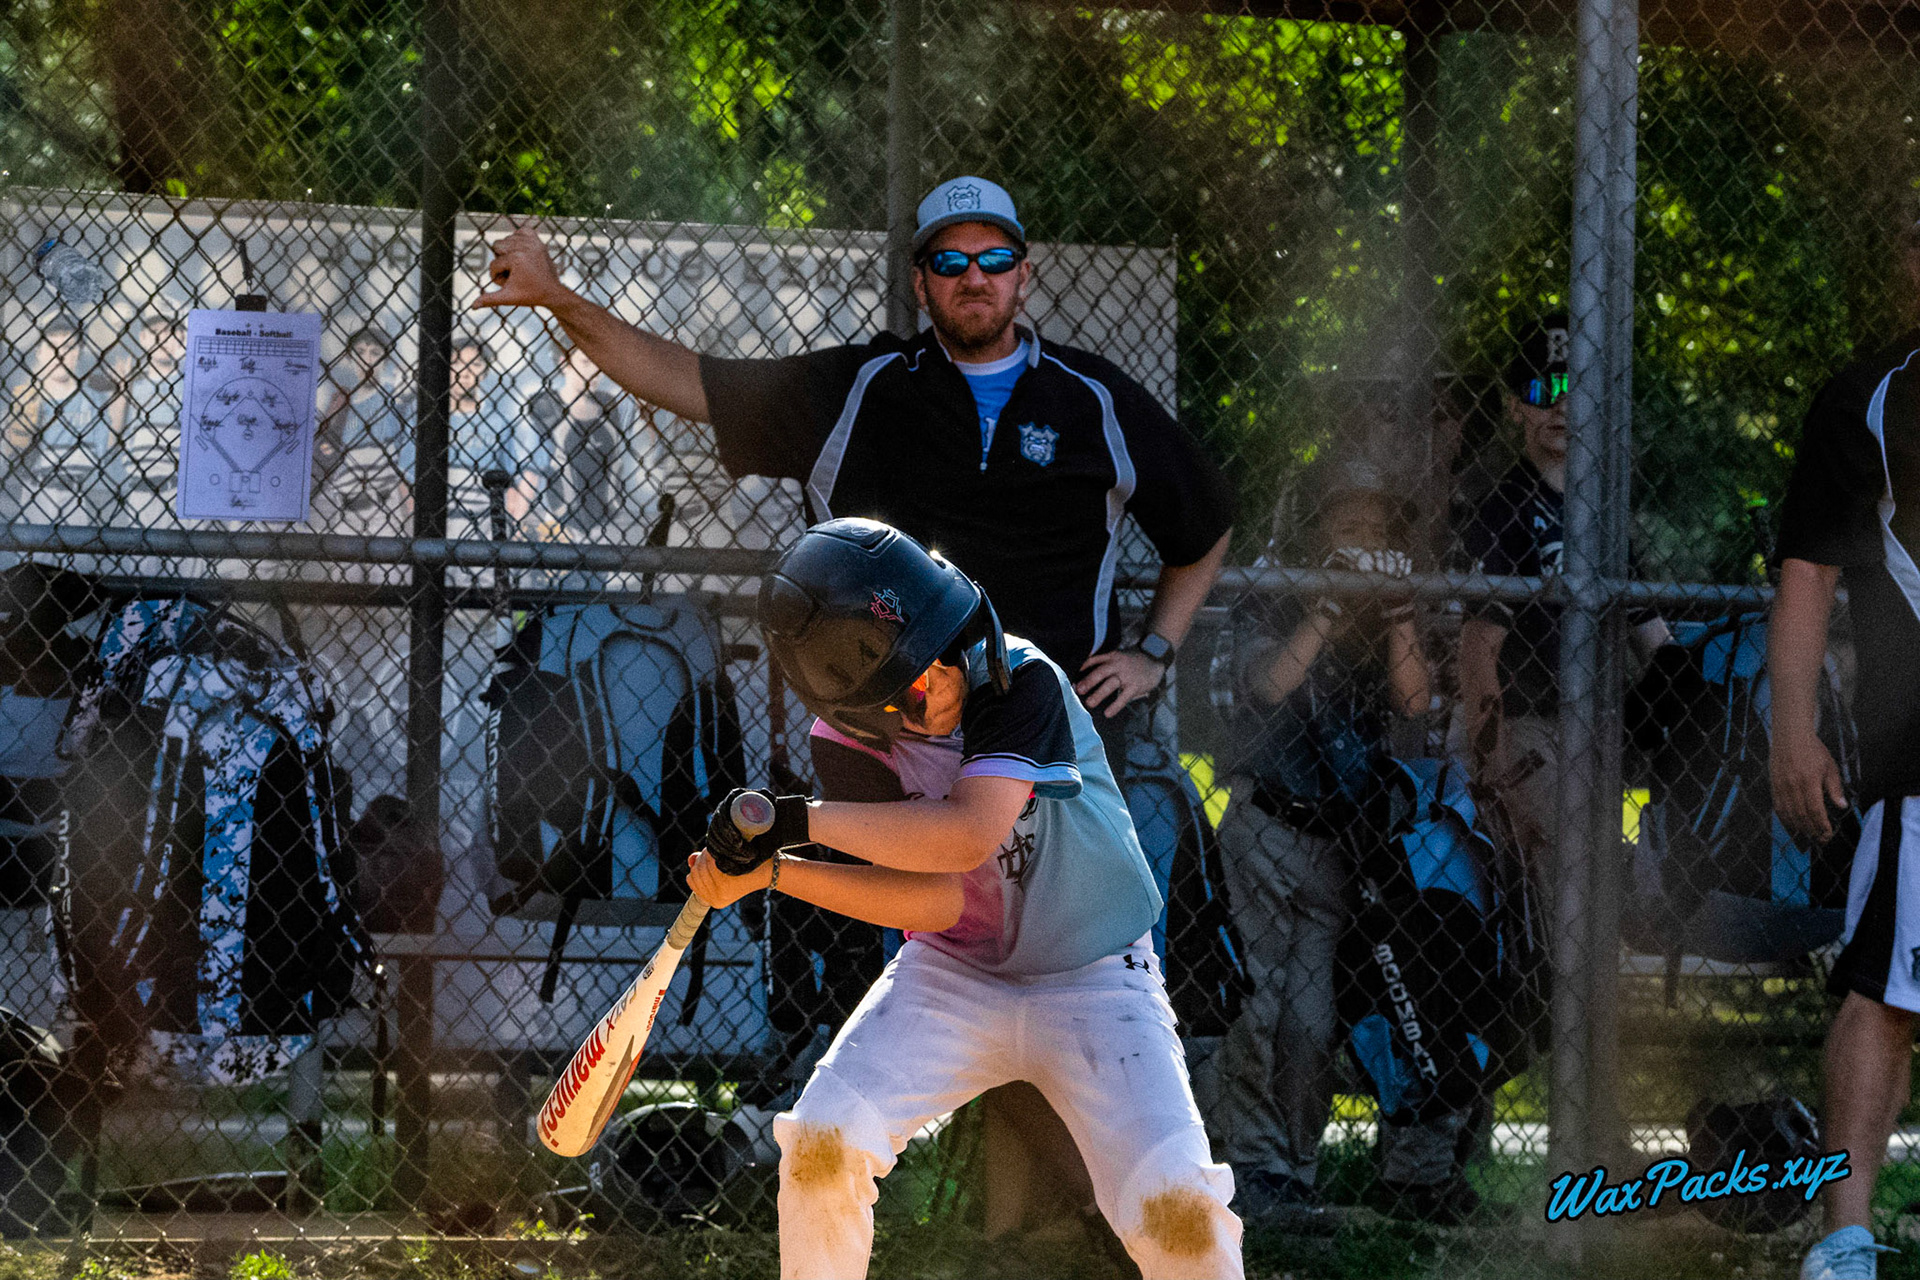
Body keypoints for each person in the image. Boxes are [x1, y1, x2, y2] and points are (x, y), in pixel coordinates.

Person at [475, 174, 1232, 1207]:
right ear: (921, 280)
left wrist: (1154, 647)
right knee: (924, 950)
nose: (975, 278)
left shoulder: (1094, 400)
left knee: (1062, 981)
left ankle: (1039, 1216)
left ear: (1025, 272)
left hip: (1047, 749)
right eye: (951, 261)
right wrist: (560, 299)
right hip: (879, 744)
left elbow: (1205, 531)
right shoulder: (864, 385)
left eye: (994, 258)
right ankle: (883, 1179)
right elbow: (688, 380)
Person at [685, 517, 1243, 1280]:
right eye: (912, 687)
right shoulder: (843, 743)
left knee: (1176, 1207)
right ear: (855, 709)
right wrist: (775, 870)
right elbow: (936, 903)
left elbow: (969, 836)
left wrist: (799, 822)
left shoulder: (1020, 678)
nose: (943, 683)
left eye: (942, 651)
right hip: (954, 976)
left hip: (1097, 975)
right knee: (824, 1141)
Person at [1200, 458, 1462, 1224]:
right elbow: (1267, 687)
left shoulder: (1384, 615)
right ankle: (1251, 1164)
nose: (1365, 540)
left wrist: (1398, 613)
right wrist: (1324, 608)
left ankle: (1297, 1168)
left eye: (1378, 530)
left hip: (1341, 846)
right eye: (1347, 526)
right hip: (1264, 825)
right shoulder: (1272, 596)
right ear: (1314, 532)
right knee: (1258, 1005)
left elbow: (1417, 707)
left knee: (1312, 1019)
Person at [1770, 232, 1920, 1280]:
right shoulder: (1871, 400)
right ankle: (1846, 1239)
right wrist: (1792, 730)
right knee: (1886, 988)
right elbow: (1810, 577)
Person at [1457, 316, 1670, 875]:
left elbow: (1655, 641)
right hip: (1530, 732)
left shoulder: (1603, 517)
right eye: (1542, 389)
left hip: (1601, 732)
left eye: (1577, 389)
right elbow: (1480, 655)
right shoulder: (1501, 510)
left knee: (1611, 891)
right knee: (1560, 894)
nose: (1560, 405)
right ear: (1515, 407)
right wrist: (1500, 774)